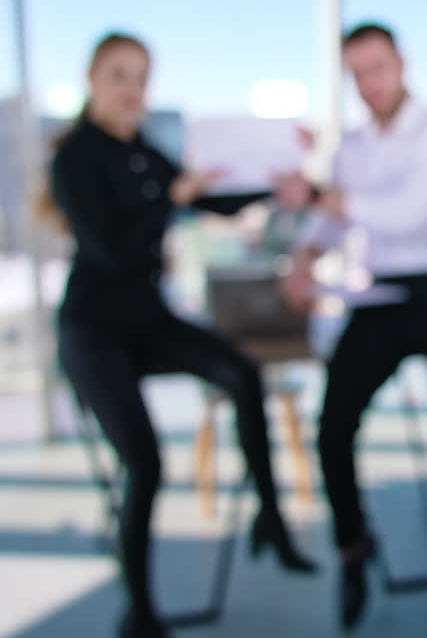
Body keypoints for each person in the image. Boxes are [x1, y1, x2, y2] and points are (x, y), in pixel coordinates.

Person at [41, 33, 317, 638]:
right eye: (120, 75)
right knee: (144, 463)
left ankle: (270, 519)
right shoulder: (75, 159)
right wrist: (169, 197)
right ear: (93, 80)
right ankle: (140, 610)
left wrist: (278, 178)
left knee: (244, 375)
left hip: (148, 318)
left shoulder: (144, 151)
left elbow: (211, 200)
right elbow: (112, 248)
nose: (132, 90)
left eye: (141, 78)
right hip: (94, 329)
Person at [278, 23, 427, 638]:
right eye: (358, 73)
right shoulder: (352, 146)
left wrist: (318, 195)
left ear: (403, 62)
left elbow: (406, 213)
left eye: (378, 67)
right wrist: (304, 257)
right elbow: (335, 221)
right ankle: (353, 545)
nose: (370, 83)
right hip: (380, 296)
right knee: (333, 426)